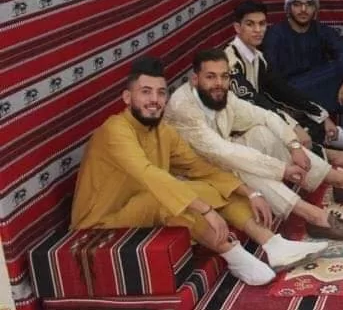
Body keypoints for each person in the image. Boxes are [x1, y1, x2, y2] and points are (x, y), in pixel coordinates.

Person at [71, 56, 328, 286]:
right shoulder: (115, 130)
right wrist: (205, 209)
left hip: (142, 202)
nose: (154, 100)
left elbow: (200, 167)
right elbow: (149, 174)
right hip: (104, 219)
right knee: (171, 197)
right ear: (127, 98)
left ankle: (273, 244)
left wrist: (249, 192)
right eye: (145, 92)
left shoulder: (162, 131)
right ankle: (235, 256)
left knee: (215, 182)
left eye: (161, 93)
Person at [165, 50, 343, 242]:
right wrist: (282, 169)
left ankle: (341, 182)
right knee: (241, 166)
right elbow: (224, 153)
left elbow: (265, 116)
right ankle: (314, 216)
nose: (219, 83)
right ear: (195, 79)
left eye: (224, 76)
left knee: (262, 132)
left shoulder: (223, 95)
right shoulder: (183, 108)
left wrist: (294, 145)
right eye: (210, 77)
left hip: (220, 158)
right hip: (196, 175)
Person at [224, 0, 343, 165]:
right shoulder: (229, 61)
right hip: (237, 127)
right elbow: (254, 103)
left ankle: (316, 148)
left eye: (262, 24)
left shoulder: (258, 57)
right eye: (250, 24)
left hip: (258, 115)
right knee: (279, 134)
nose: (258, 30)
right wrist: (292, 126)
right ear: (238, 28)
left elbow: (282, 90)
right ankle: (325, 154)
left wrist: (322, 116)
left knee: (310, 122)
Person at [263, 0, 343, 146]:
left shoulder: (321, 30)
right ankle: (332, 132)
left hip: (319, 83)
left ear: (315, 9)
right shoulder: (275, 34)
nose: (303, 10)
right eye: (297, 4)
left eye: (309, 4)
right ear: (289, 9)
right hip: (290, 91)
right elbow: (272, 75)